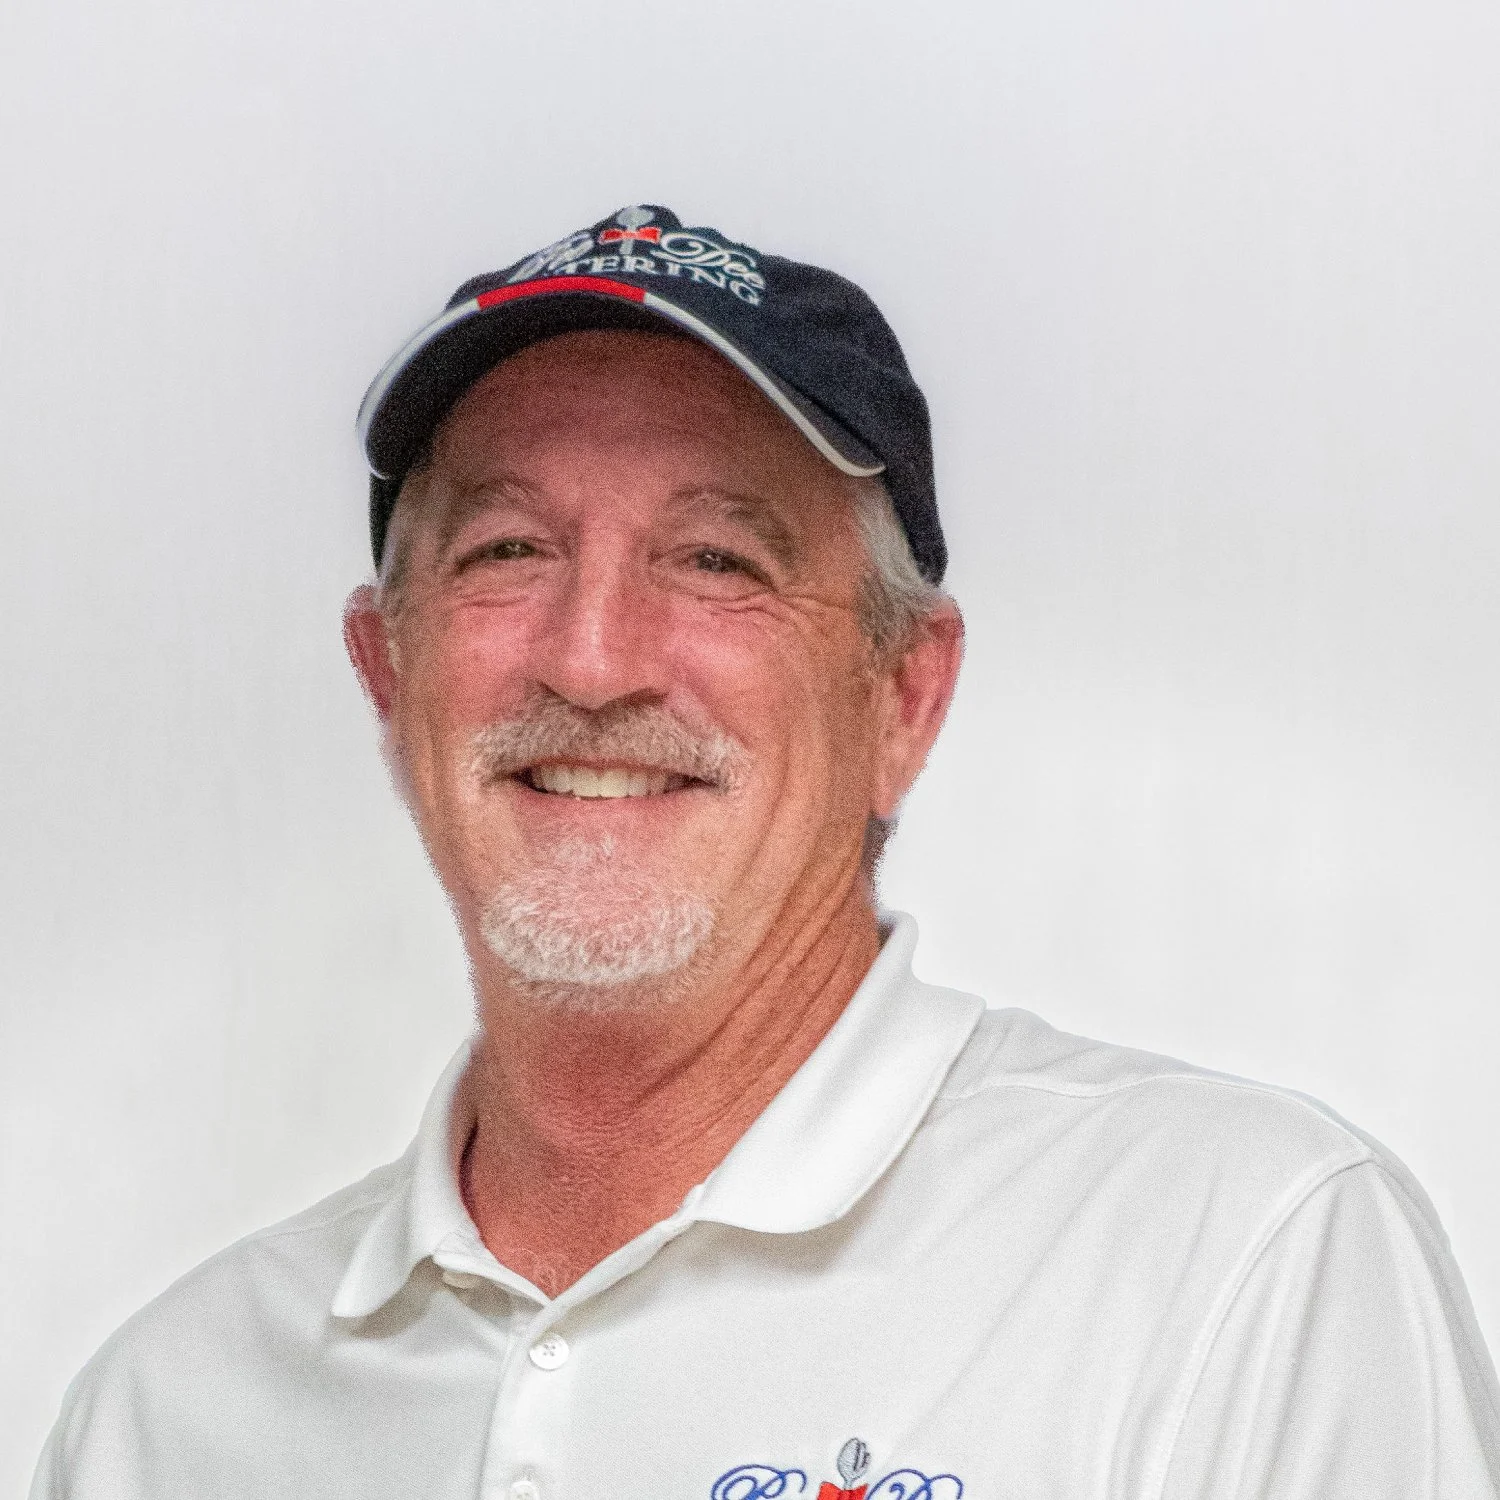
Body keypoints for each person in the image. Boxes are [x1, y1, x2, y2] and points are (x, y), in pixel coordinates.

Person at [31, 205, 1500, 1499]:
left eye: (718, 558)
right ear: (386, 672)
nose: (594, 659)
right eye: (507, 552)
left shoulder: (1238, 1266)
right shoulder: (163, 1420)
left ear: (902, 698)